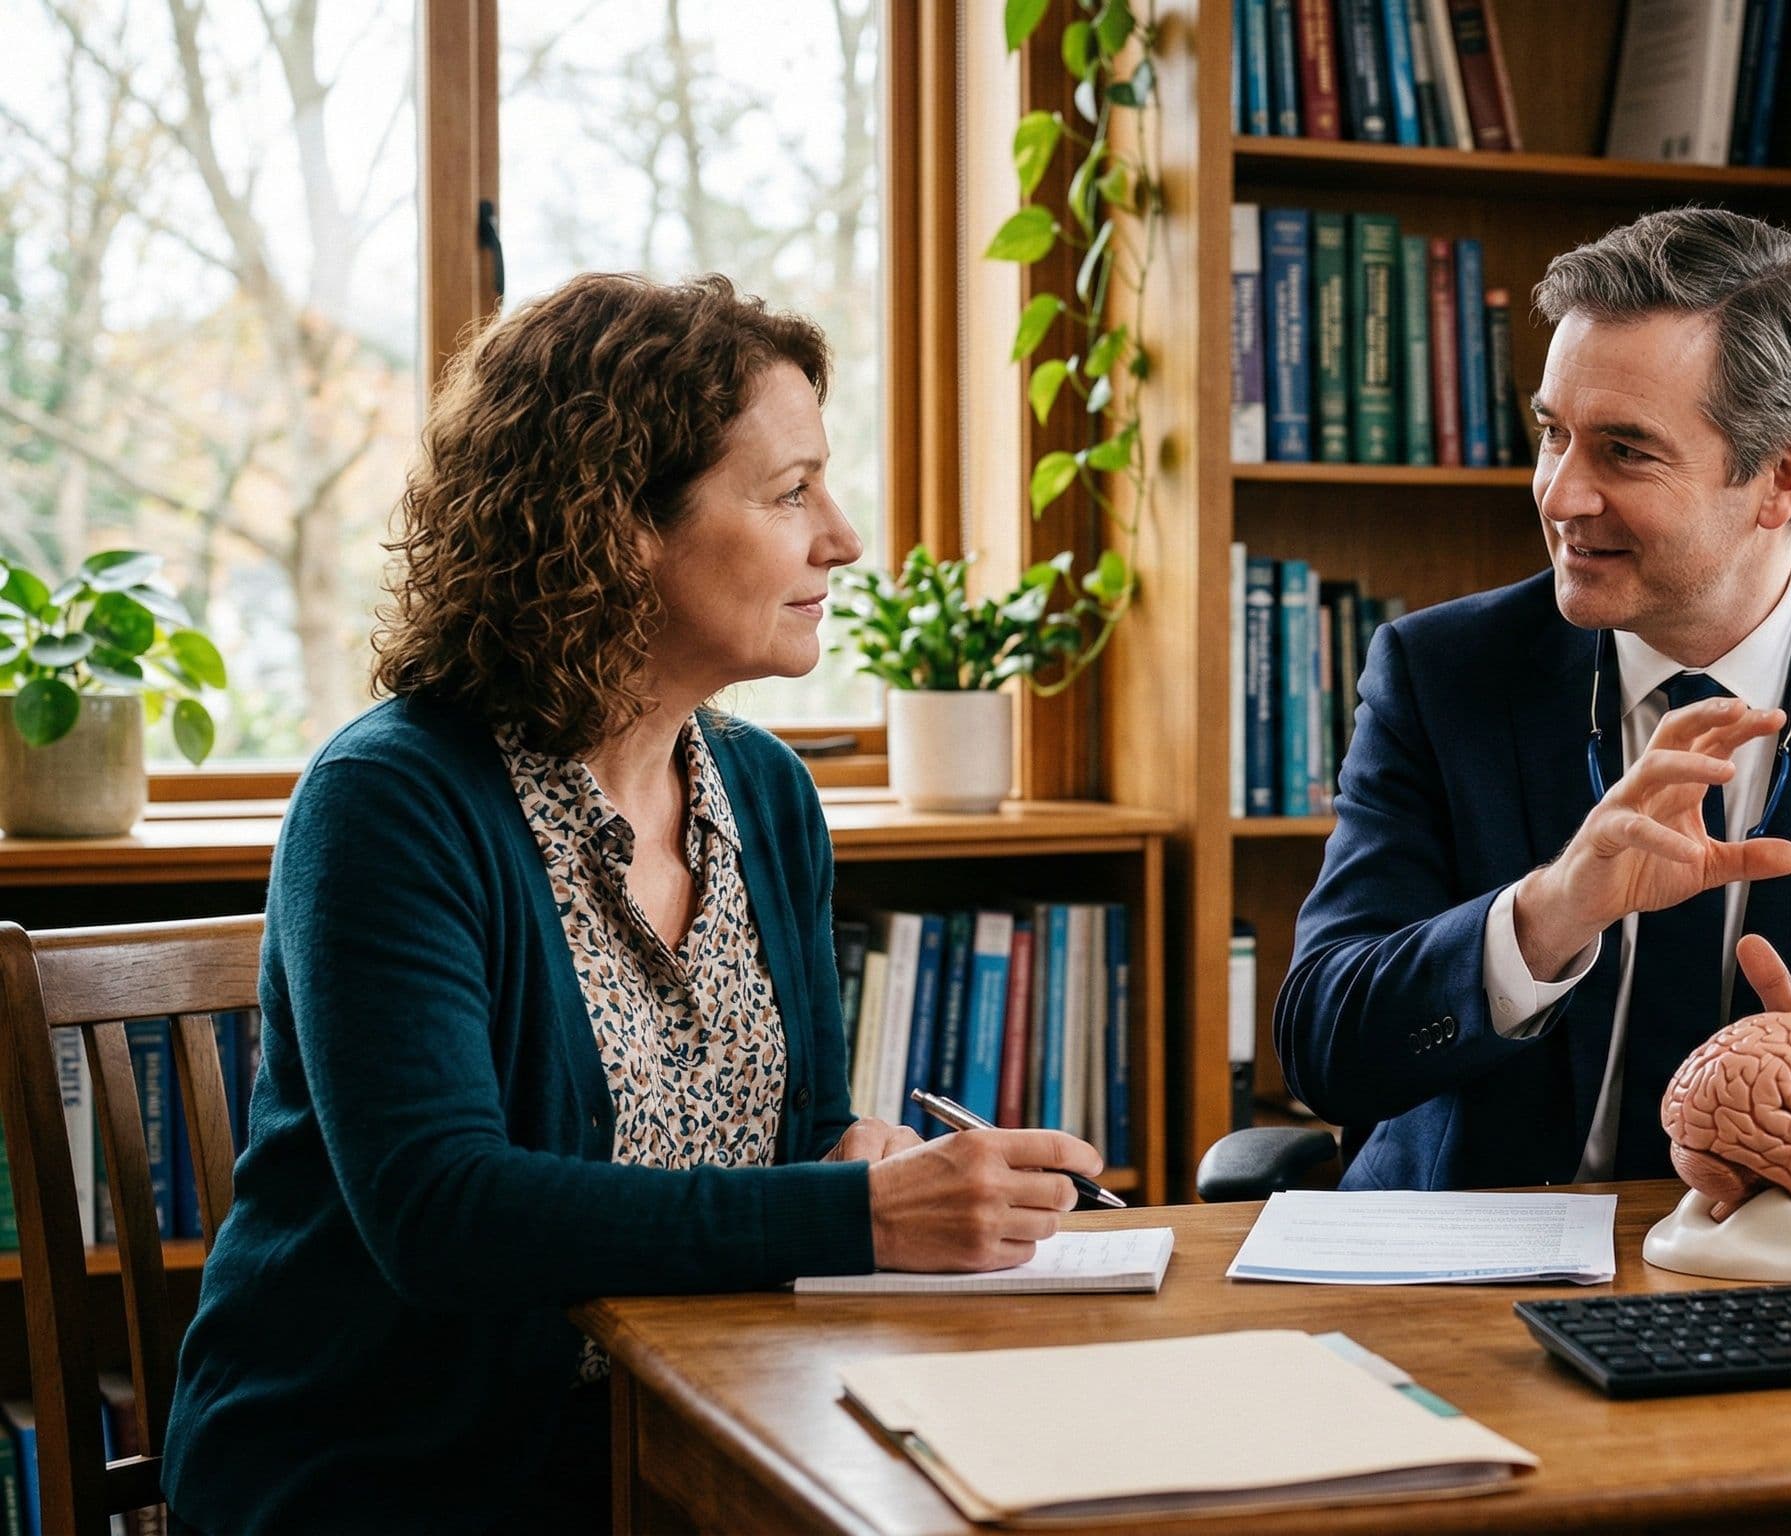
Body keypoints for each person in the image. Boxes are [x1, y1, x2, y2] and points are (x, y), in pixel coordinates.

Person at [162, 274, 1104, 1533]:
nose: (843, 536)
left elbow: (793, 1141)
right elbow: (445, 1215)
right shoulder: (388, 802)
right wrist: (859, 1212)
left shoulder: (766, 794)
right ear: (613, 529)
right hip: (394, 1477)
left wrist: (856, 1158)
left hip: (697, 1438)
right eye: (789, 492)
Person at [1276, 209, 1791, 1192]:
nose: (1560, 495)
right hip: (1470, 1268)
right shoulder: (1440, 670)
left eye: (1624, 450)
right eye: (1552, 433)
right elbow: (1323, 1044)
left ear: (1781, 477)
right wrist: (1545, 916)